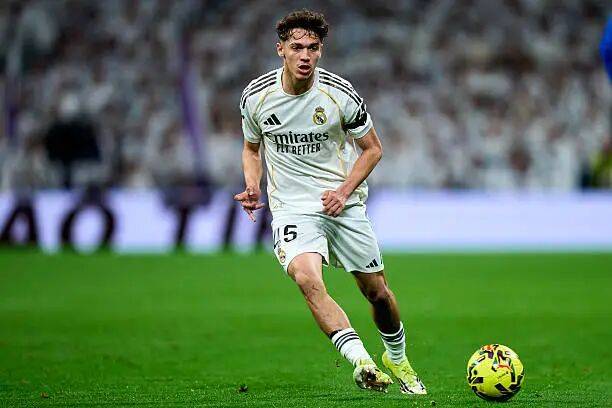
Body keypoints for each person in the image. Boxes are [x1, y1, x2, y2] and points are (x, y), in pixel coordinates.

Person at [234, 9, 426, 395]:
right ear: (280, 49)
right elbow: (251, 149)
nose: (305, 55)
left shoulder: (339, 94)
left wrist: (343, 192)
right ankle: (362, 362)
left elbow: (373, 149)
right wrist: (252, 185)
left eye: (313, 48)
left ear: (321, 50)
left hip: (342, 203)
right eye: (296, 47)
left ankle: (397, 357)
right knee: (307, 279)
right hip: (292, 207)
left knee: (378, 294)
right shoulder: (256, 97)